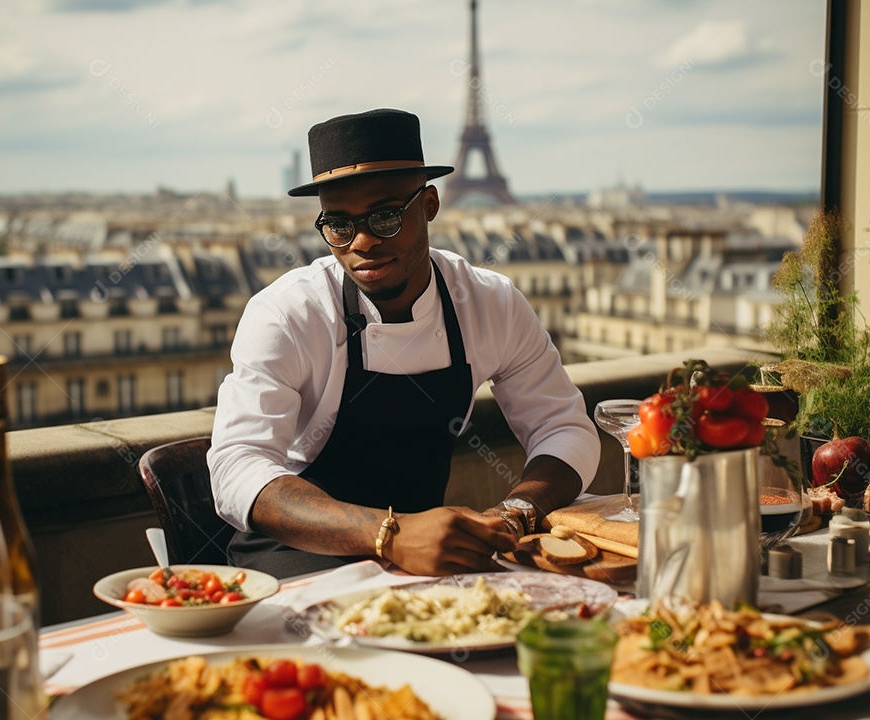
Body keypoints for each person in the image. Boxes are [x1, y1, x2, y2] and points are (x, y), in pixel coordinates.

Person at [209, 108, 600, 578]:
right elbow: (237, 466)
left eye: (386, 217)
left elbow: (563, 427)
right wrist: (390, 535)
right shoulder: (287, 313)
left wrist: (515, 514)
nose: (362, 242)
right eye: (339, 224)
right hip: (298, 554)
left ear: (429, 204)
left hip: (425, 559)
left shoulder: (491, 302)